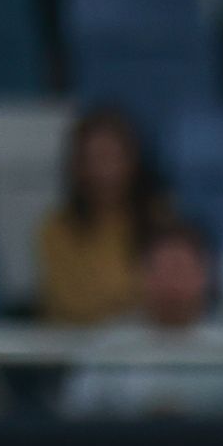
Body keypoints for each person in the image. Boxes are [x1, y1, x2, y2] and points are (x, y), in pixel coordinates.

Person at [58, 221, 223, 420]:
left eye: (180, 269)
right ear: (141, 275)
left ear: (205, 275)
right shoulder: (109, 346)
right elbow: (76, 408)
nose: (170, 283)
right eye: (160, 270)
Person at [36, 107, 171, 327]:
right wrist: (134, 296)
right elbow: (71, 304)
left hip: (146, 341)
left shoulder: (160, 218)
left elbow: (176, 293)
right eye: (95, 159)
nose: (105, 171)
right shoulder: (55, 228)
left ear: (133, 161)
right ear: (77, 167)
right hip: (76, 342)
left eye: (113, 158)